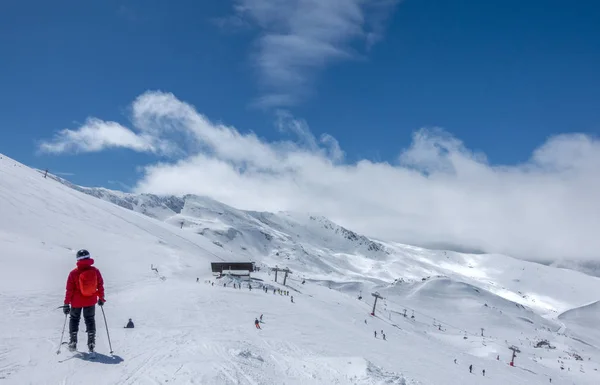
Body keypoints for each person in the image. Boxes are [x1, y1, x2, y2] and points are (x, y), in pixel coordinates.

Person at [62, 249, 105, 353]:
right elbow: (100, 285)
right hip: (90, 300)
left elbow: (69, 290)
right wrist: (101, 298)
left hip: (76, 302)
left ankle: (73, 343)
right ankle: (91, 344)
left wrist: (66, 303)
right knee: (90, 320)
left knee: (74, 319)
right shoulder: (95, 271)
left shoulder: (73, 273)